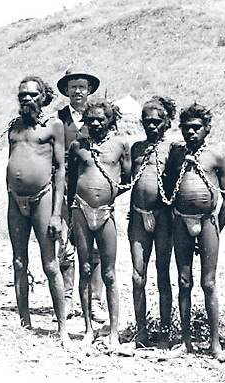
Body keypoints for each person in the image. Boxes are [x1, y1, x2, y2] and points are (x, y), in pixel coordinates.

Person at [164, 103, 225, 360]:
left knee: (209, 282)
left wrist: (216, 228)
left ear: (207, 129)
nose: (191, 133)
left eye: (196, 128)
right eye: (186, 128)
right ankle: (185, 341)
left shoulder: (216, 156)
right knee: (184, 281)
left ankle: (214, 344)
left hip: (207, 223)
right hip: (181, 221)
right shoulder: (177, 154)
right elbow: (169, 190)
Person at [6, 76, 69, 349]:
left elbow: (61, 170)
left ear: (43, 97)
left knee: (50, 264)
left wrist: (56, 213)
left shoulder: (53, 127)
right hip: (15, 201)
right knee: (19, 262)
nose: (27, 100)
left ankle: (62, 328)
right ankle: (24, 321)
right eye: (22, 96)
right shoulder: (14, 127)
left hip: (42, 199)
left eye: (32, 95)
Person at [67, 99, 131, 350]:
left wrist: (107, 194)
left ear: (110, 121)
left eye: (100, 119)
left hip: (106, 212)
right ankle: (88, 329)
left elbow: (127, 179)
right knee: (84, 268)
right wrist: (71, 218)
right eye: (90, 119)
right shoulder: (77, 147)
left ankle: (114, 332)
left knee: (109, 273)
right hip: (80, 211)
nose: (94, 123)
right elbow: (72, 183)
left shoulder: (119, 146)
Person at [56, 67, 106, 321]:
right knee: (65, 245)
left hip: (90, 189)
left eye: (82, 86)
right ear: (66, 90)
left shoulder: (98, 118)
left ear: (89, 90)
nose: (77, 91)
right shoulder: (57, 119)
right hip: (64, 190)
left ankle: (95, 300)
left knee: (94, 246)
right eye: (73, 86)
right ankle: (66, 299)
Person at [127, 97, 176, 348]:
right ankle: (141, 331)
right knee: (138, 277)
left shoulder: (173, 149)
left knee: (163, 275)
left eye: (157, 122)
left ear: (167, 123)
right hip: (137, 216)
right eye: (147, 122)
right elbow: (123, 181)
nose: (152, 126)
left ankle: (166, 332)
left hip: (163, 218)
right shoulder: (136, 149)